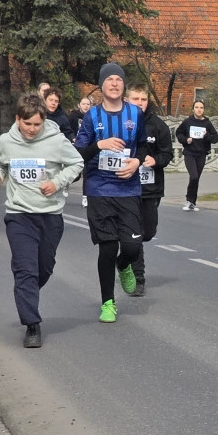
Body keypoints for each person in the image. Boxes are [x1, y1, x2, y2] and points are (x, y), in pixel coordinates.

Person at [0, 94, 84, 348]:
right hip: (19, 214)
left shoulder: (56, 141)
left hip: (50, 215)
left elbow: (76, 163)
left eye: (36, 125)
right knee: (26, 271)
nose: (31, 129)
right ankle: (32, 325)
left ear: (43, 122)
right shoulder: (8, 141)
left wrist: (56, 182)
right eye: (27, 124)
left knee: (43, 268)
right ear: (18, 119)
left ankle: (25, 289)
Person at [75, 63, 147, 323]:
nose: (115, 83)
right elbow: (79, 154)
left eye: (119, 79)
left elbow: (141, 147)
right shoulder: (92, 117)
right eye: (110, 80)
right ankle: (108, 303)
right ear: (101, 85)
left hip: (128, 189)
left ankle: (124, 264)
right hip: (99, 189)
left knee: (132, 246)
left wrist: (137, 162)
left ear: (123, 85)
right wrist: (99, 144)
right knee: (107, 248)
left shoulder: (135, 114)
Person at [126, 84, 173, 297]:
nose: (140, 103)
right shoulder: (121, 124)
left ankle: (129, 252)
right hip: (126, 188)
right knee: (134, 235)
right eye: (135, 99)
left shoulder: (158, 126)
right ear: (127, 100)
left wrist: (156, 160)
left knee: (148, 232)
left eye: (143, 99)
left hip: (151, 188)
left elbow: (167, 154)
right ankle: (138, 279)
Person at [174, 100, 218, 212]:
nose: (199, 109)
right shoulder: (188, 122)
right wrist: (185, 140)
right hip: (189, 153)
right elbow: (179, 133)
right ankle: (188, 200)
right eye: (197, 107)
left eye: (201, 107)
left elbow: (215, 138)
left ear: (203, 110)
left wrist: (207, 135)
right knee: (193, 176)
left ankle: (193, 202)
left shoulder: (207, 123)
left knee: (196, 178)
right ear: (193, 109)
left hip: (201, 154)